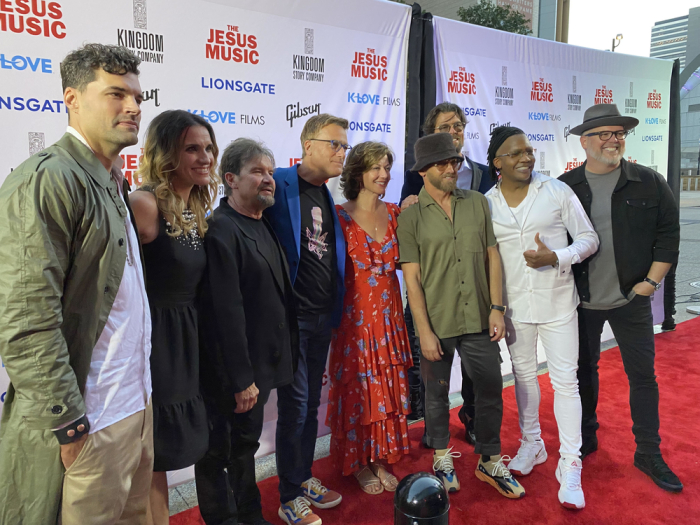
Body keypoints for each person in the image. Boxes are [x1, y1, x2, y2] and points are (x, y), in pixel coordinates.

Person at [0, 44, 153, 524]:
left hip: (132, 406)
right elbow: (26, 320)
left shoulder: (111, 178)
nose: (132, 107)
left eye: (136, 96)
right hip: (89, 421)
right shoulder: (47, 179)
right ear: (72, 98)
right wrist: (68, 423)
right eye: (115, 94)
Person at [560, 103, 682, 493]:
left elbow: (669, 235)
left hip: (632, 298)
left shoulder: (649, 181)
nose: (614, 140)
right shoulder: (566, 187)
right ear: (585, 142)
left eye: (619, 133)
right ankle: (586, 436)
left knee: (643, 377)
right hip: (581, 300)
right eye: (605, 134)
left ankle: (648, 451)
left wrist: (650, 282)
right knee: (583, 372)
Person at [396, 132, 525, 499]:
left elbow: (492, 256)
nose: (452, 168)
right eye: (443, 163)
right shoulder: (410, 216)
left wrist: (497, 308)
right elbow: (413, 279)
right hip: (436, 319)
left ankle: (489, 460)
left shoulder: (477, 203)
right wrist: (423, 330)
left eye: (455, 161)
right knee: (436, 393)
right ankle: (440, 456)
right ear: (423, 171)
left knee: (489, 387)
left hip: (480, 317)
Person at [485, 126, 599, 509]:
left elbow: (589, 238)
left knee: (566, 383)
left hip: (558, 303)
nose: (526, 158)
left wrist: (557, 257)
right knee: (523, 376)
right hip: (515, 307)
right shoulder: (487, 203)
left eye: (529, 151)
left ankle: (570, 462)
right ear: (497, 162)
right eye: (515, 153)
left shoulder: (555, 191)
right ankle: (532, 444)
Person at [196, 138, 299, 525]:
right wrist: (241, 380)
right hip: (233, 377)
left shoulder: (262, 223)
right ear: (230, 179)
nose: (268, 179)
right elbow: (224, 313)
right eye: (257, 171)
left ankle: (250, 515)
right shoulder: (221, 229)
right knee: (219, 454)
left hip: (260, 369)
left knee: (244, 449)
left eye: (271, 172)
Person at [129, 110, 220, 524]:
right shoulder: (144, 204)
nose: (205, 157)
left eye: (208, 148)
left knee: (164, 452)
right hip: (154, 345)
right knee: (152, 453)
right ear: (167, 154)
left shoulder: (194, 205)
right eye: (192, 148)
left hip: (186, 340)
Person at [265, 114, 348, 525]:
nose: (341, 153)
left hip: (322, 318)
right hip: (290, 320)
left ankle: (302, 478)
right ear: (308, 145)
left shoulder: (327, 195)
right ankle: (288, 495)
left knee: (312, 405)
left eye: (345, 146)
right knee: (296, 408)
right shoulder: (279, 182)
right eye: (335, 144)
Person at [400, 102, 493, 442]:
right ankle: (432, 429)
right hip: (433, 286)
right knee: (430, 363)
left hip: (474, 286)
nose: (453, 131)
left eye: (458, 125)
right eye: (445, 127)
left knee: (475, 370)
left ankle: (471, 419)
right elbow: (408, 218)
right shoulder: (417, 174)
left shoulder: (485, 174)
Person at [326, 141, 412, 495]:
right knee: (357, 391)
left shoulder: (396, 213)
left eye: (387, 168)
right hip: (354, 321)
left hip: (389, 320)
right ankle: (358, 462)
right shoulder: (337, 215)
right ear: (357, 172)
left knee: (385, 391)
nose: (383, 175)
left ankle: (379, 457)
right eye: (375, 168)